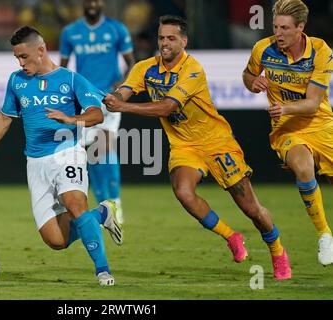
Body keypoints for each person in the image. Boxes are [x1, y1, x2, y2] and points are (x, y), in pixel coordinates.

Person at [104, 15, 292, 280]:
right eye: (161, 38)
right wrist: (112, 98)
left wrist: (123, 106)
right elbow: (122, 93)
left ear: (184, 41)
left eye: (171, 38)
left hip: (216, 141)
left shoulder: (193, 69)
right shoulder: (145, 68)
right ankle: (231, 236)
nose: (165, 43)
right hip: (183, 144)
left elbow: (168, 106)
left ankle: (277, 250)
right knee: (183, 191)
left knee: (251, 209)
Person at [0, 26, 123, 286]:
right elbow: (4, 118)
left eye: (24, 57)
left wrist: (71, 118)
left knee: (75, 204)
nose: (20, 63)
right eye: (17, 58)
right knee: (56, 241)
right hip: (35, 163)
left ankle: (103, 271)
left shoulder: (71, 80)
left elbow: (97, 114)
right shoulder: (16, 81)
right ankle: (102, 215)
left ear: (41, 50)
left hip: (67, 153)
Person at [243, 0, 333, 265]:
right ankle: (324, 234)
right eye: (275, 26)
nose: (278, 33)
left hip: (321, 124)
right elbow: (247, 75)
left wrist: (285, 107)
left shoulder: (320, 50)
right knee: (302, 166)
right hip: (286, 128)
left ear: (300, 27)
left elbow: (313, 103)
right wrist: (254, 82)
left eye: (284, 28)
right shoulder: (263, 48)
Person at [59, 0, 135, 225]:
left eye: (97, 0)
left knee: (106, 149)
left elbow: (132, 63)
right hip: (85, 100)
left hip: (109, 99)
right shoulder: (70, 32)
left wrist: (119, 88)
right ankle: (105, 207)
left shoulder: (116, 29)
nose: (92, 4)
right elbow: (63, 68)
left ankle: (116, 203)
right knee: (91, 157)